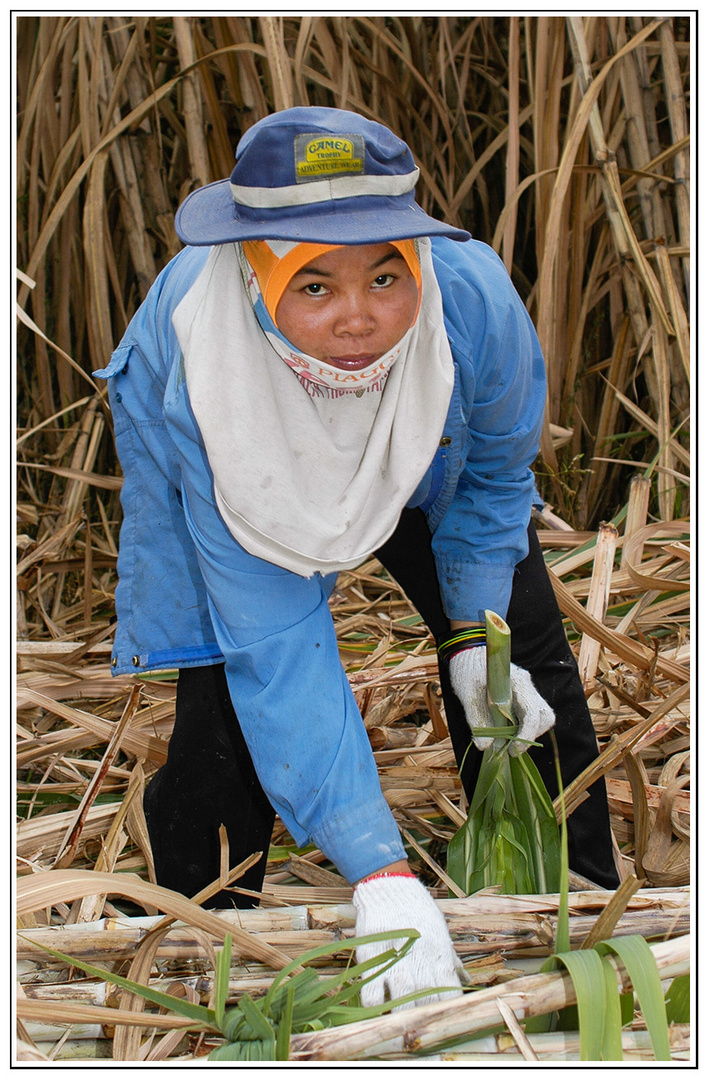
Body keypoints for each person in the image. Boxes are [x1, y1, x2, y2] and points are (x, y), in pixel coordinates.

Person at [95, 106, 619, 1009]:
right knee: (224, 693)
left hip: (425, 442)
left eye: (387, 275)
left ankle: (573, 912)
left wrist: (470, 633)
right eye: (314, 287)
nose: (359, 318)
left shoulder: (471, 301)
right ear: (258, 276)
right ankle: (193, 953)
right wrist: (378, 871)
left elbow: (493, 480)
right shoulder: (202, 373)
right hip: (243, 459)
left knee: (520, 660)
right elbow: (277, 643)